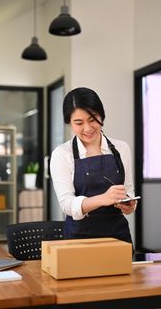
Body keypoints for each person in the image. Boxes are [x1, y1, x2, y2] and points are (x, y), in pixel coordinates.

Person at [50, 87, 137, 244]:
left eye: (92, 119)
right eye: (79, 123)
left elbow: (128, 190)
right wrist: (103, 199)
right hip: (79, 240)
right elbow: (67, 205)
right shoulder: (62, 154)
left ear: (101, 116)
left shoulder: (121, 148)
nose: (88, 128)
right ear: (69, 122)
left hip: (118, 238)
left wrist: (129, 204)